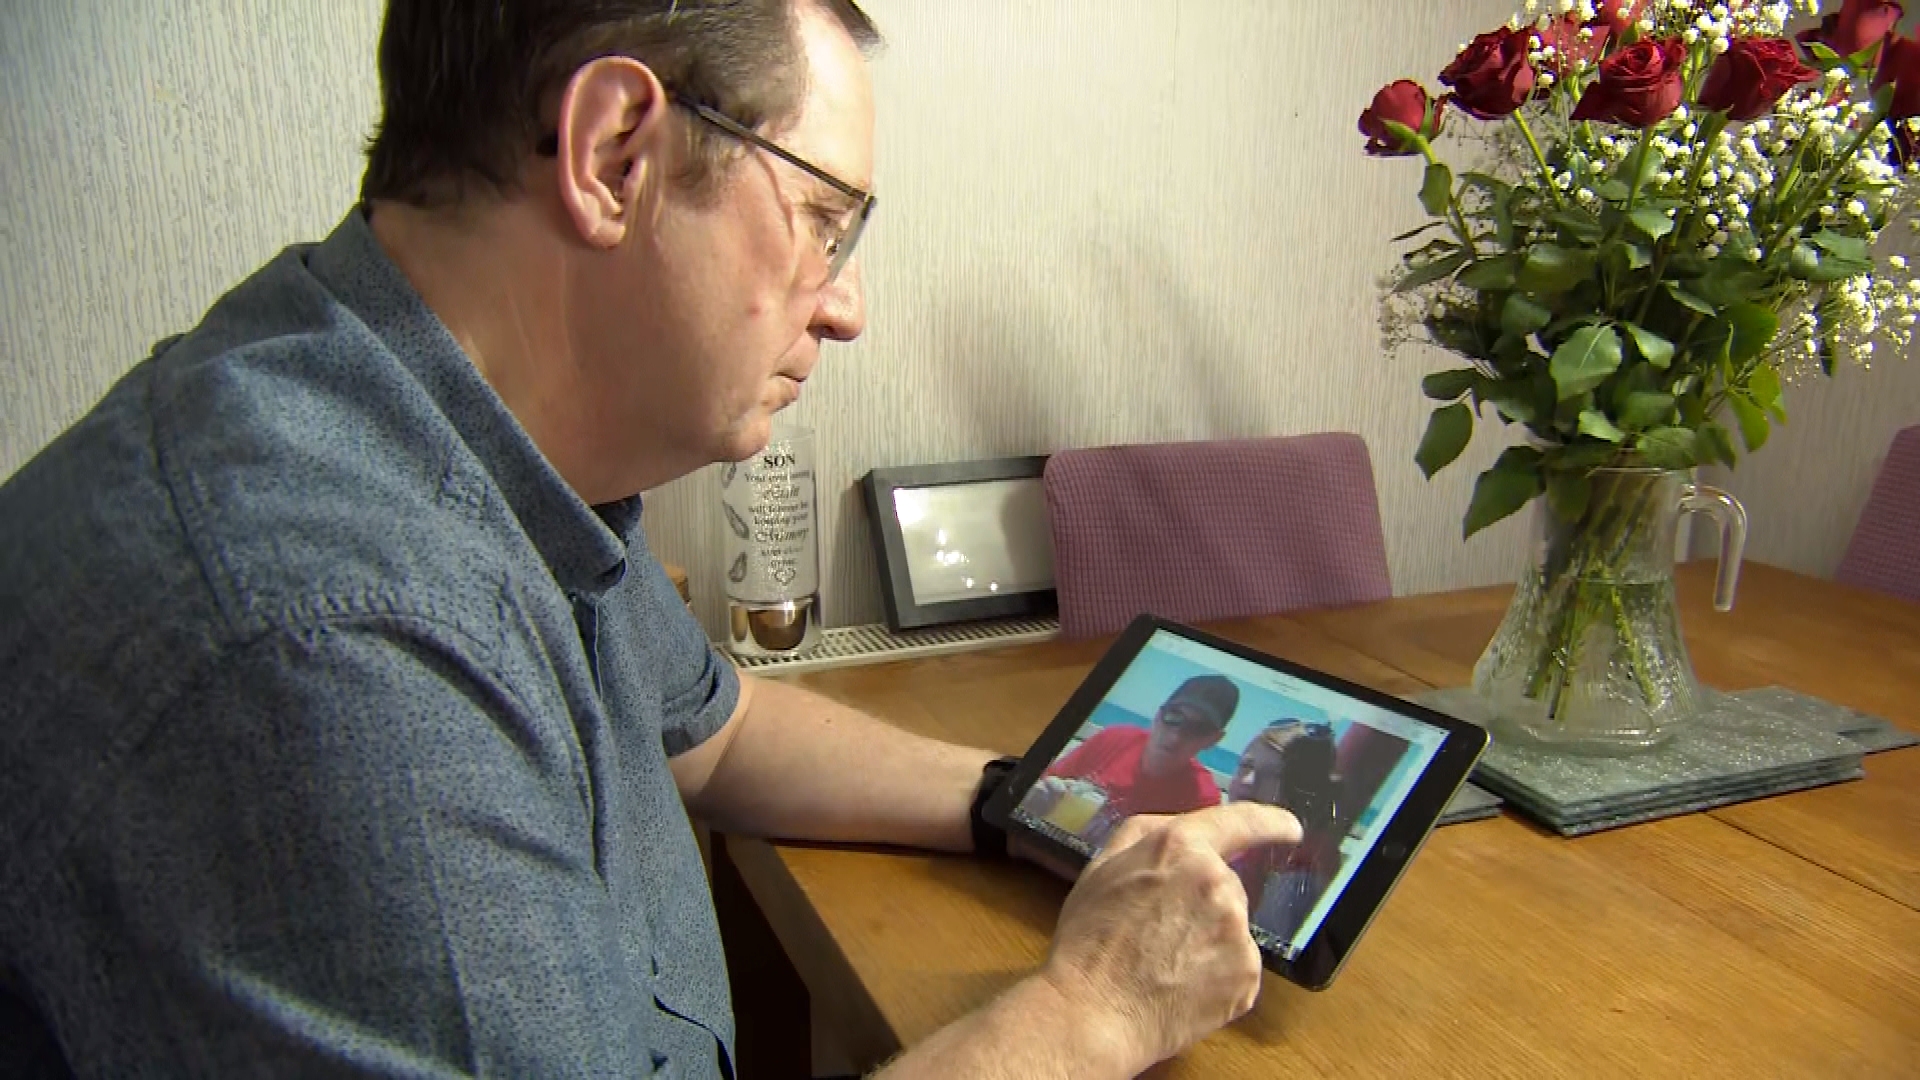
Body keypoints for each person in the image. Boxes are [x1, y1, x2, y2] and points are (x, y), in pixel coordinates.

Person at [0, 2, 1302, 1078]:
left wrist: (1033, 806)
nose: (846, 306)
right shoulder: (336, 647)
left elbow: (715, 731)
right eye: (826, 220)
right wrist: (1092, 1012)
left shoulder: (469, 435)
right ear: (616, 152)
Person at [1023, 675, 1236, 843]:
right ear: (1158, 714)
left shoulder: (1202, 801)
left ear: (1213, 739)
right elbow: (1038, 789)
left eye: (1198, 728)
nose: (1176, 737)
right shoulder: (1112, 739)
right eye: (1174, 717)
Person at [1225, 721, 1344, 941]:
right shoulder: (1251, 841)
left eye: (1273, 774)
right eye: (1246, 765)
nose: (1248, 781)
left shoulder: (1298, 876)